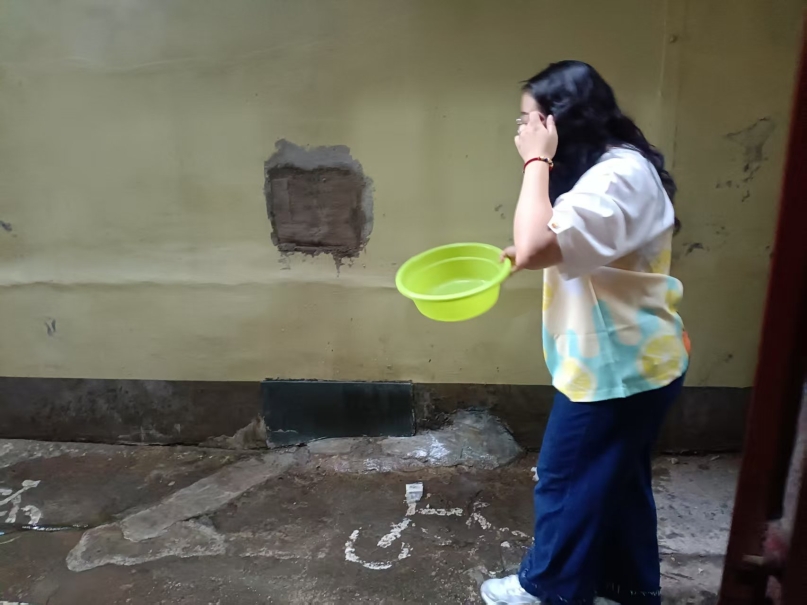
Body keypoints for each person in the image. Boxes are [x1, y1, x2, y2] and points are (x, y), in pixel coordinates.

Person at [480, 61, 690, 605]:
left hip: (615, 370)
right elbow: (559, 243)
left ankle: (547, 589)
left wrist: (536, 160)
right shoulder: (616, 166)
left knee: (566, 478)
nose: (524, 130)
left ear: (561, 120)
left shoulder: (615, 176)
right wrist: (532, 251)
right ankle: (627, 589)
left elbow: (538, 243)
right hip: (640, 359)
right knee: (617, 482)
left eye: (531, 120)